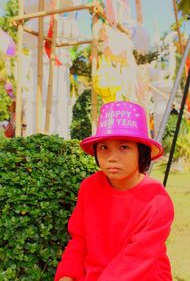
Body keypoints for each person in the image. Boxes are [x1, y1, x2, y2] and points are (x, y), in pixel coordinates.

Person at [55, 101, 174, 281]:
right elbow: (79, 240)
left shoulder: (157, 200)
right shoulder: (89, 187)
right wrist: (67, 274)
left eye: (124, 147)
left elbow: (136, 260)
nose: (112, 158)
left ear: (141, 153)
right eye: (104, 147)